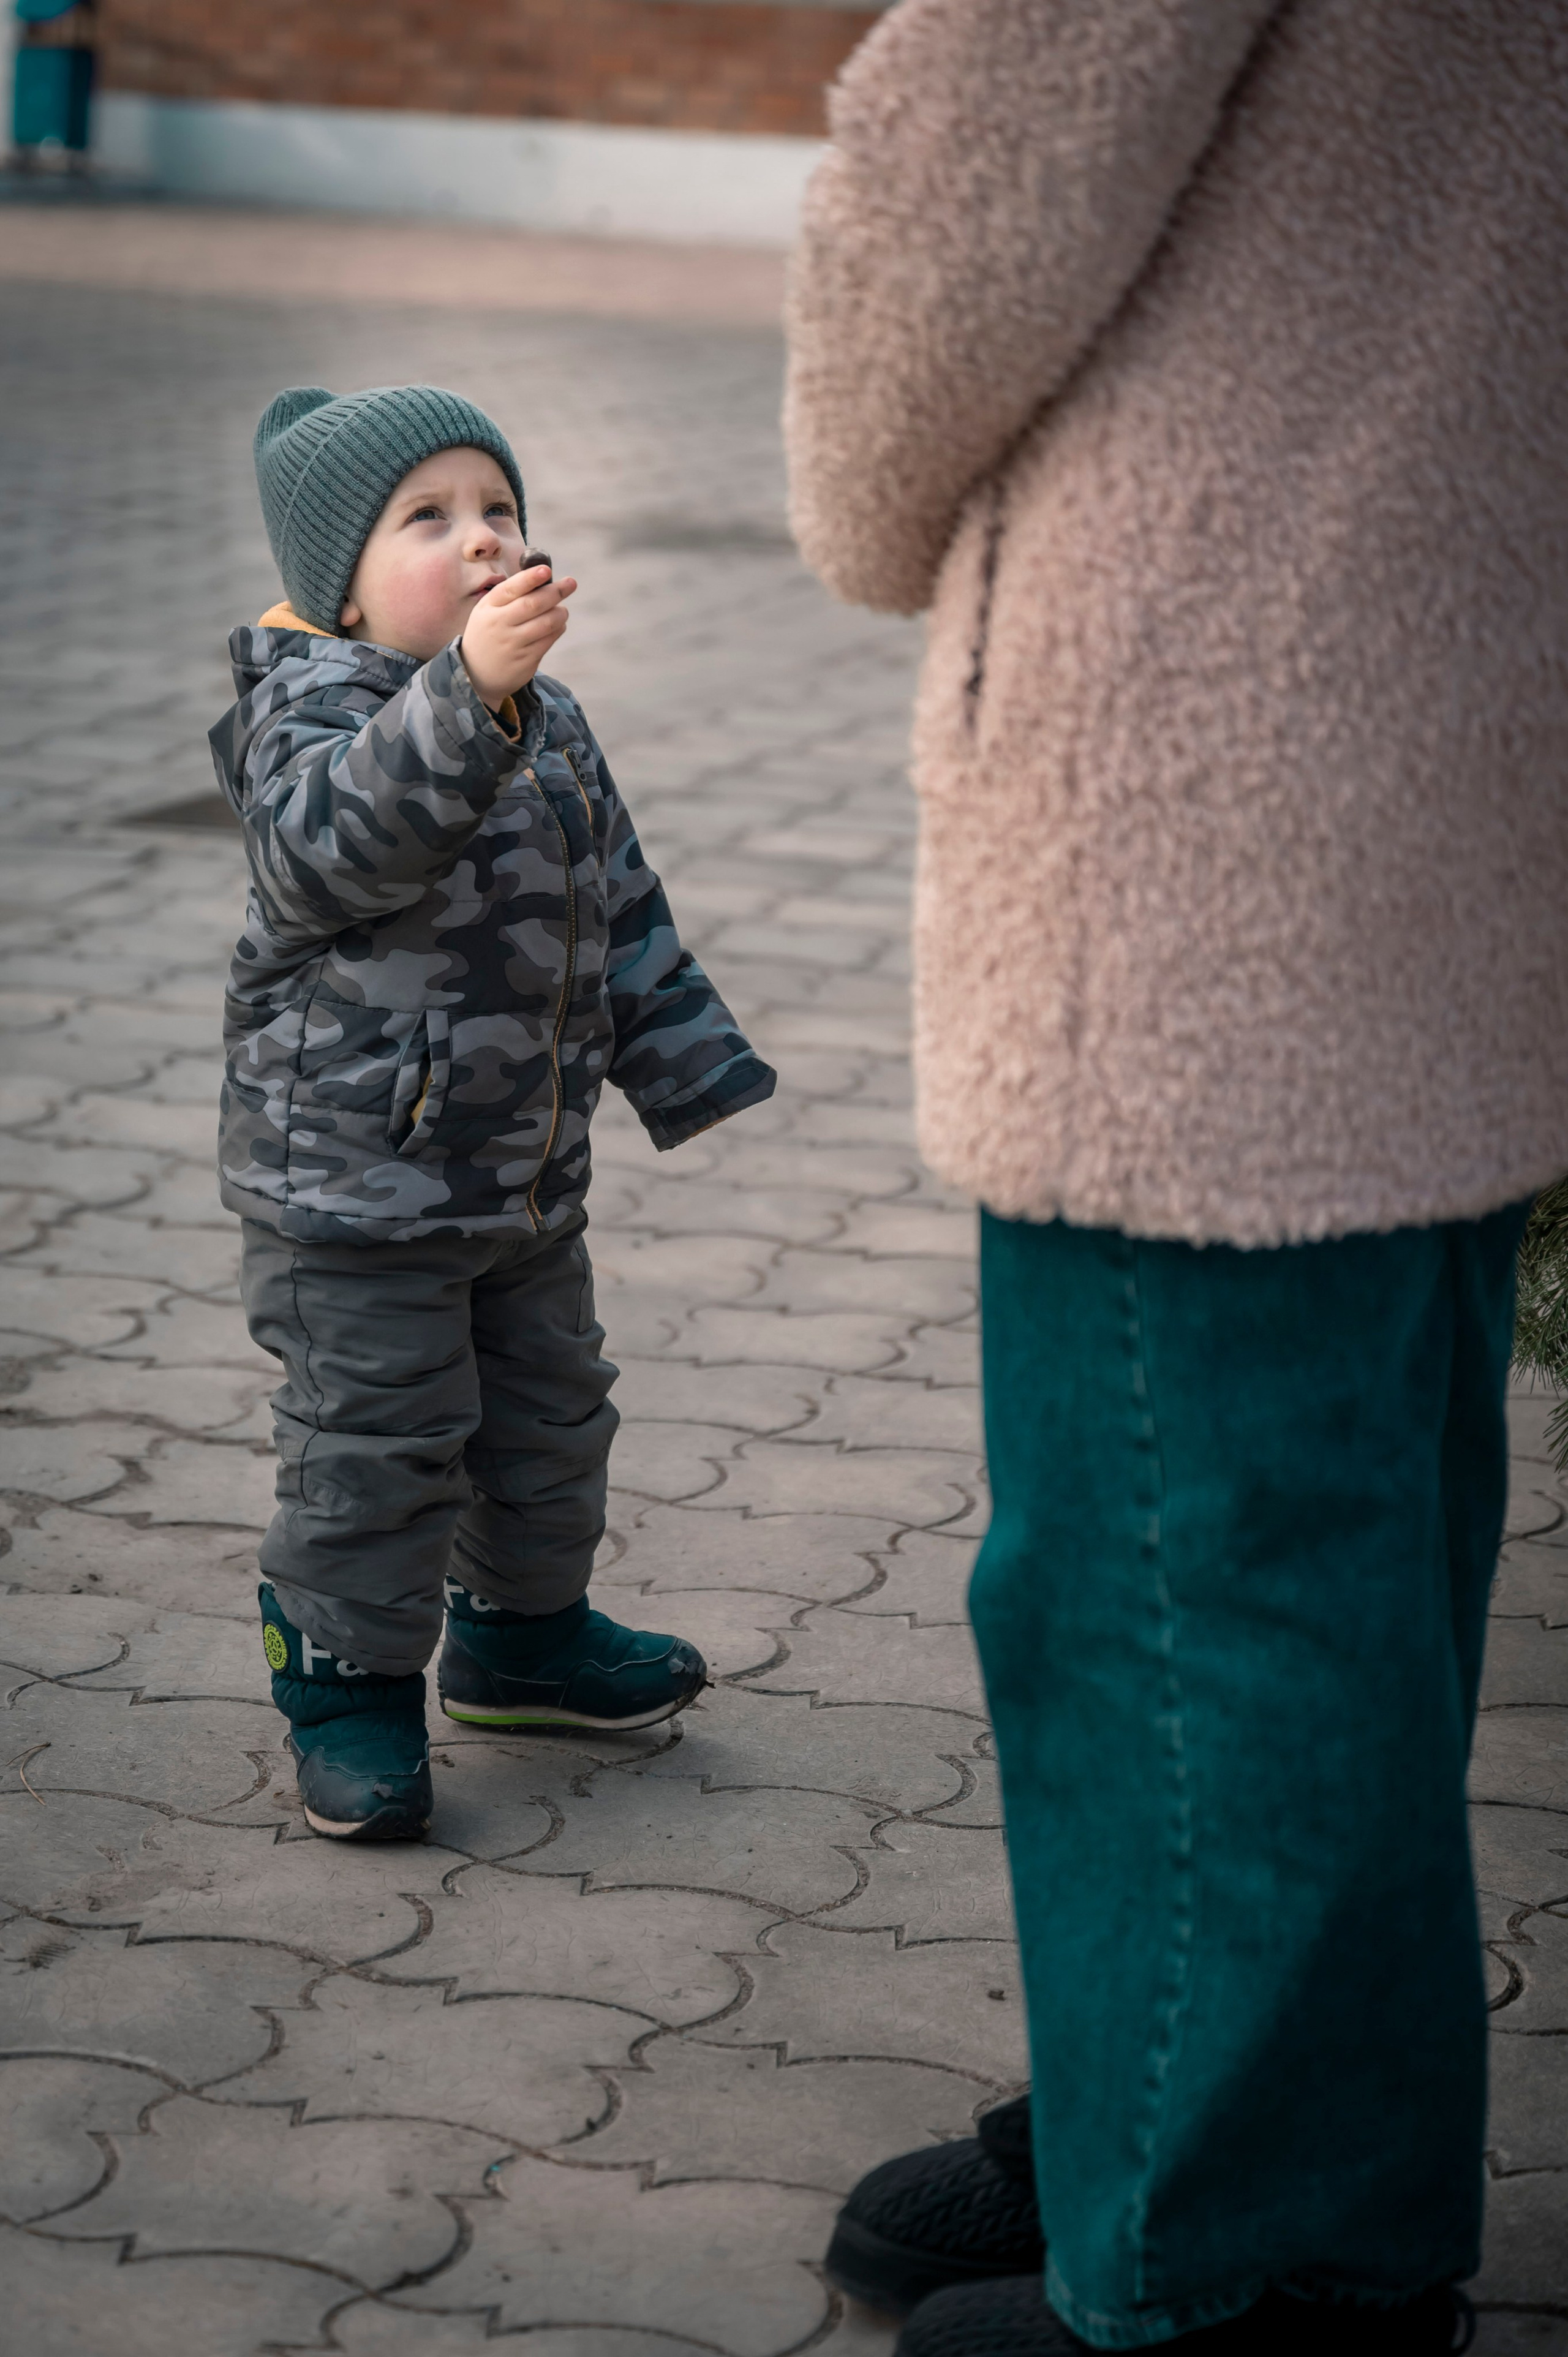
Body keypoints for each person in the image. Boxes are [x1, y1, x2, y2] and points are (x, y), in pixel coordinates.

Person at [783, 2, 1568, 2351]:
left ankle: (1260, 2264)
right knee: (1350, 1519)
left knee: (1188, 1549)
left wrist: (853, 485)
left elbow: (984, 160)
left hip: (1243, 719)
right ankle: (1206, 2099)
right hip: (1449, 647)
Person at [213, 384, 775, 1842]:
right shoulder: (310, 714)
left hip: (519, 1184)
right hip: (352, 1195)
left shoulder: (548, 720)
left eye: (498, 511)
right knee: (376, 1448)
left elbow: (616, 910)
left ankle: (522, 1643)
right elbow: (331, 850)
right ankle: (345, 1696)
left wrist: (687, 1063)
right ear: (336, 584)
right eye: (430, 518)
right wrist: (460, 693)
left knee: (547, 1422)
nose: (481, 541)